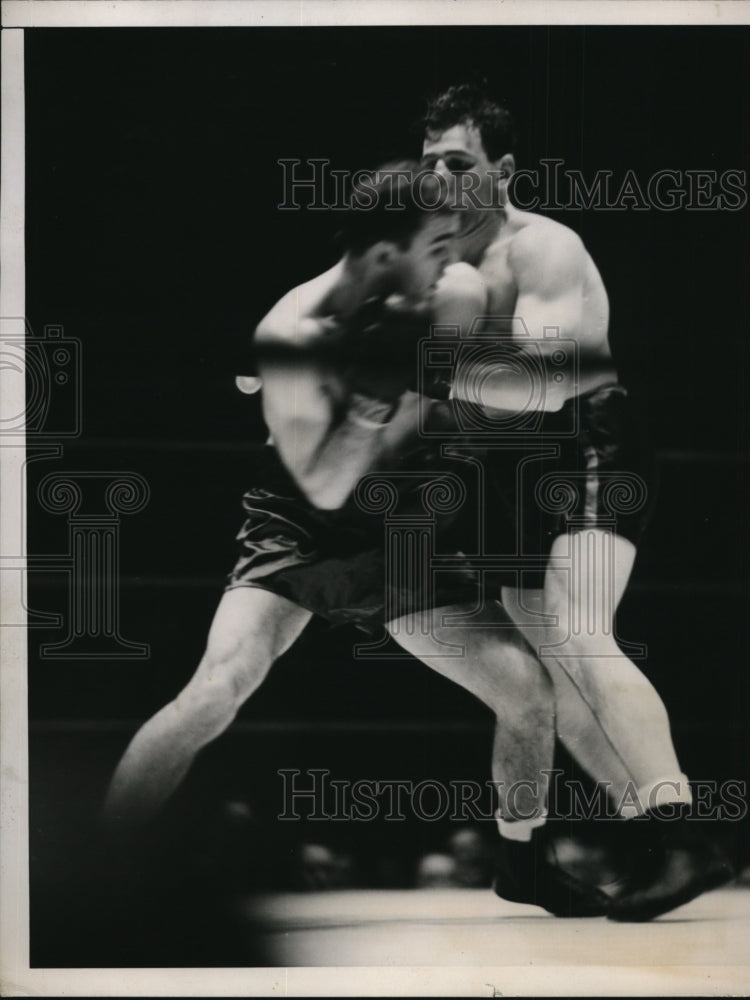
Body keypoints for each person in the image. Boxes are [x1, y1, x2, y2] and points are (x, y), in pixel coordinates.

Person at [103, 163, 608, 918]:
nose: (453, 258)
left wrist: (454, 379)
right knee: (218, 688)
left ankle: (524, 861)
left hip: (406, 528)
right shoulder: (291, 332)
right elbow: (327, 485)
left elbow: (481, 394)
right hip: (303, 524)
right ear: (383, 255)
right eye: (436, 245)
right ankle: (101, 865)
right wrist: (376, 398)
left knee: (530, 695)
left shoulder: (449, 292)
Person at [417, 83, 733, 921]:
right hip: (507, 470)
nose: (442, 178)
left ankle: (684, 831)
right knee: (554, 667)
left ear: (503, 169)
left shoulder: (544, 247)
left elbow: (545, 385)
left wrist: (419, 373)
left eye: (460, 162)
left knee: (583, 632)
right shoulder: (437, 260)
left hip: (590, 445)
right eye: (431, 163)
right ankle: (646, 839)